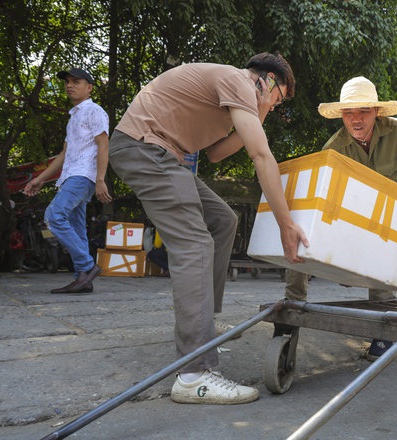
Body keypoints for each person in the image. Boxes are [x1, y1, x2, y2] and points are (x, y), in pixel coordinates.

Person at [108, 53, 308, 405]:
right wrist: (286, 224)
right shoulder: (238, 80)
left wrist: (260, 114)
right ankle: (194, 374)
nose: (275, 107)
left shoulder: (238, 93)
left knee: (222, 220)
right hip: (144, 149)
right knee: (195, 244)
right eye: (279, 99)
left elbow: (215, 154)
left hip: (160, 154)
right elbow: (262, 157)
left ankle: (203, 327)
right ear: (269, 81)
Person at [285, 76, 397, 361]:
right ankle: (290, 311)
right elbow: (325, 199)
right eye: (348, 112)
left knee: (383, 264)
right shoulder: (332, 149)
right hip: (347, 213)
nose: (355, 119)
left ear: (376, 112)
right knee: (299, 238)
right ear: (341, 115)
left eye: (363, 111)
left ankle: (383, 334)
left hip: (387, 211)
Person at [24, 68, 111, 294]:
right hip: (70, 176)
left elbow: (104, 145)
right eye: (68, 82)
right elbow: (64, 155)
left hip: (83, 176)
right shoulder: (74, 117)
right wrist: (40, 179)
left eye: (76, 82)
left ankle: (87, 267)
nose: (69, 85)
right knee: (76, 227)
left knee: (53, 216)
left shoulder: (94, 111)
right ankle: (83, 280)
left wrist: (100, 179)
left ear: (89, 87)